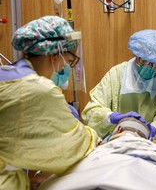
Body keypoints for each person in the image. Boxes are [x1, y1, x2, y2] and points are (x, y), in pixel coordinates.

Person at [0, 15, 98, 190]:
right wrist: (94, 139)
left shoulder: (6, 74)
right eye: (68, 61)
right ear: (55, 55)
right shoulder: (38, 88)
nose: (64, 68)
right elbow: (71, 144)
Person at [82, 29, 156, 141]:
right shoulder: (116, 75)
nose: (152, 68)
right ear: (138, 56)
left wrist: (152, 130)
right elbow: (91, 110)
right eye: (147, 62)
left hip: (149, 143)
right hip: (115, 139)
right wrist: (111, 118)